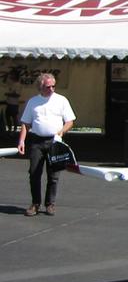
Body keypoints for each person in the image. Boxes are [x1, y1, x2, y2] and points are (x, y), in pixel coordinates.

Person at [17, 73, 76, 217]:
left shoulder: (61, 100)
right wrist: (21, 141)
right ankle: (35, 203)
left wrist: (61, 132)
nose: (51, 89)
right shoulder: (33, 102)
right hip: (37, 141)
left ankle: (50, 203)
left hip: (54, 141)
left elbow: (70, 121)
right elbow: (26, 123)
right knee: (34, 173)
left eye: (53, 86)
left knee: (53, 175)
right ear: (40, 87)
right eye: (48, 86)